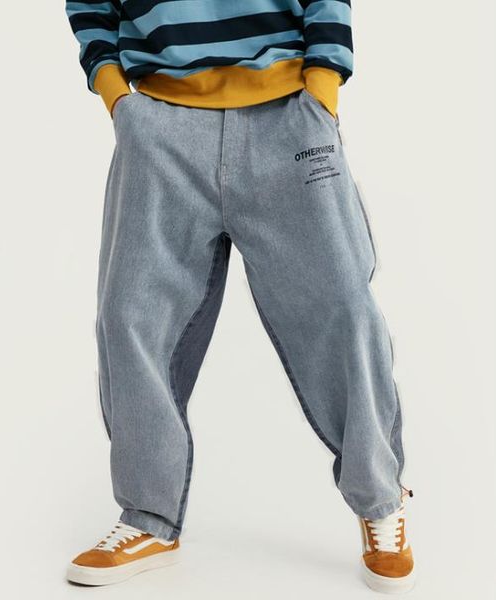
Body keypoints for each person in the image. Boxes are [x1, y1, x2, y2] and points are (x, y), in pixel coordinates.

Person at [65, 0, 415, 593]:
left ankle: (381, 499)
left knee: (344, 308)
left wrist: (322, 92)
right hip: (159, 123)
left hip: (289, 116)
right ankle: (148, 517)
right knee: (130, 318)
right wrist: (119, 100)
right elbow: (89, 5)